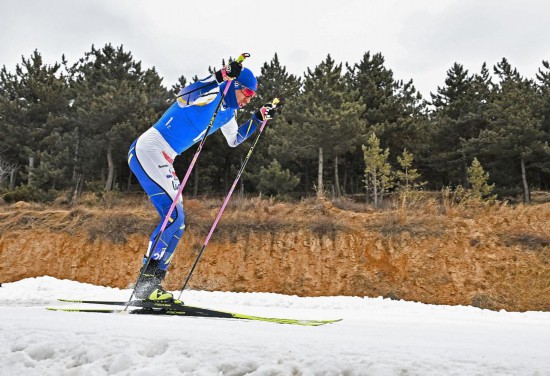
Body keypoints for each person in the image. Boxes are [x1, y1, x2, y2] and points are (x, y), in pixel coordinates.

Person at [127, 58, 276, 302]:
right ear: (234, 85)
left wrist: (258, 118)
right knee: (173, 217)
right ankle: (145, 287)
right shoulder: (212, 93)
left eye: (253, 96)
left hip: (164, 157)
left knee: (178, 222)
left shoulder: (229, 113)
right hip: (151, 148)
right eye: (247, 92)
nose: (249, 99)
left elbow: (235, 139)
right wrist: (220, 76)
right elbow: (183, 96)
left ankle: (151, 285)